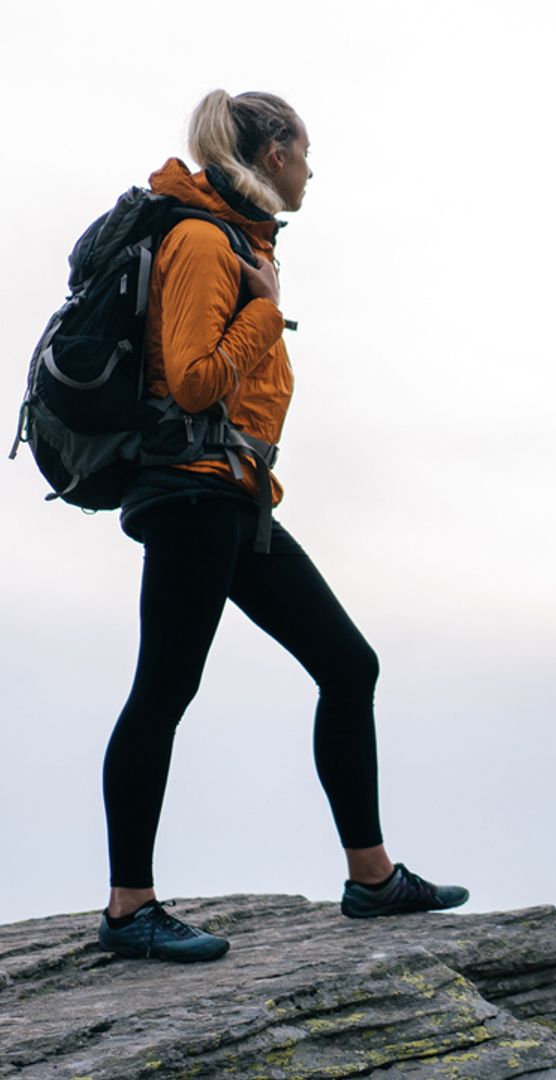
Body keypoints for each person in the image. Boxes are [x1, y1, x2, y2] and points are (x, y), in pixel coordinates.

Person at [97, 90, 467, 962]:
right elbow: (191, 381)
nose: (311, 167)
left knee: (347, 664)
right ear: (271, 155)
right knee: (163, 690)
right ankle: (127, 910)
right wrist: (267, 309)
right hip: (192, 496)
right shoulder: (198, 242)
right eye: (304, 150)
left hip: (235, 496)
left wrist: (262, 299)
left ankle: (372, 880)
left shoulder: (235, 242)